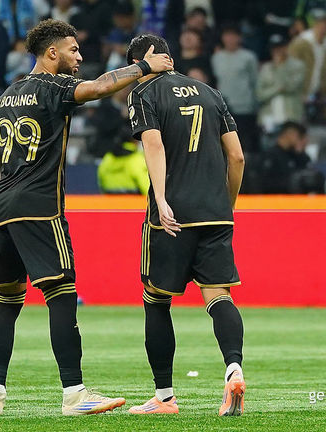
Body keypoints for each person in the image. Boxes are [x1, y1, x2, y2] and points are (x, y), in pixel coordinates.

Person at [0, 19, 173, 416]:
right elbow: (100, 87)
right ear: (52, 52)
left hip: (1, 209)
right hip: (39, 207)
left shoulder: (4, 98)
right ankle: (74, 393)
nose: (80, 57)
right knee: (62, 295)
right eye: (73, 49)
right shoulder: (53, 87)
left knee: (8, 301)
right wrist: (144, 66)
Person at [124, 34, 247, 416]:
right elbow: (237, 157)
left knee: (156, 300)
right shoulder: (211, 93)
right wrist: (227, 205)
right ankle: (234, 369)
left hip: (172, 215)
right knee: (218, 296)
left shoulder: (143, 94)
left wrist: (162, 199)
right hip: (215, 211)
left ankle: (164, 397)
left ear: (141, 62)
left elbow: (154, 145)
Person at [211, 24, 259, 153]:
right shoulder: (216, 58)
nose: (230, 39)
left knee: (244, 144)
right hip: (223, 106)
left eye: (233, 35)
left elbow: (255, 81)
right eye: (227, 35)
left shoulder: (249, 57)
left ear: (239, 38)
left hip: (245, 107)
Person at [256, 34, 306, 133]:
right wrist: (278, 88)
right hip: (269, 118)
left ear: (286, 47)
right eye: (274, 48)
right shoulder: (266, 68)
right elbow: (260, 95)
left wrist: (280, 66)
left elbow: (290, 87)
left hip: (291, 117)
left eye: (280, 47)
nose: (277, 51)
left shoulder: (298, 66)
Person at [258, 121, 323, 194]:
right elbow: (265, 182)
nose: (297, 139)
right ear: (289, 133)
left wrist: (300, 150)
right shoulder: (271, 155)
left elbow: (307, 170)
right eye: (297, 135)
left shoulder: (295, 154)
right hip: (277, 197)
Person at [289, 8, 326, 101]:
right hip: (299, 93)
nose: (323, 27)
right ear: (315, 24)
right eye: (321, 24)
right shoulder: (301, 43)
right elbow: (291, 67)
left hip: (319, 96)